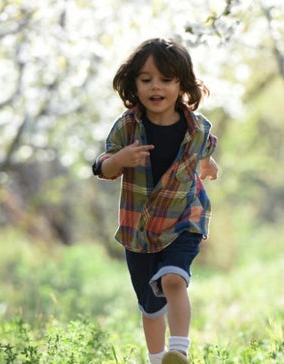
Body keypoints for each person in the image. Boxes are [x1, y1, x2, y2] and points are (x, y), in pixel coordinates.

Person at [92, 38, 218, 364]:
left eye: (165, 79)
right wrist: (120, 159)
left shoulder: (198, 128)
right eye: (146, 79)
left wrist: (208, 166)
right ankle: (156, 358)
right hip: (140, 229)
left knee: (173, 279)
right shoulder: (127, 127)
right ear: (134, 84)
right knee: (150, 307)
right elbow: (101, 167)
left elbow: (203, 153)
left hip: (183, 219)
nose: (155, 87)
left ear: (182, 84)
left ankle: (178, 352)